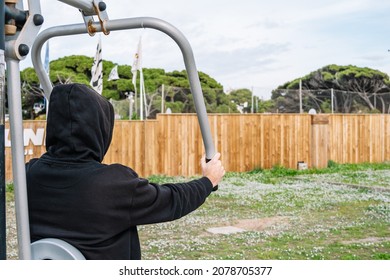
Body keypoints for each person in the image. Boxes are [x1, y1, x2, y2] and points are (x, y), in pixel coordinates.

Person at [26, 83, 225, 260]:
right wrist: (208, 181)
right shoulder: (112, 184)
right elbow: (173, 200)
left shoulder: (28, 174)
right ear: (99, 129)